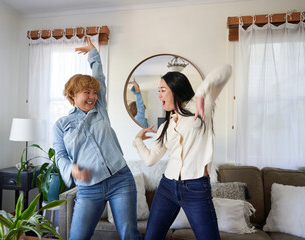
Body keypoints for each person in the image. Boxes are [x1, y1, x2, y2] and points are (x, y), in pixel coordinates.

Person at [53, 37, 142, 240]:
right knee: (77, 237)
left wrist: (94, 54)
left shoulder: (100, 109)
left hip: (121, 180)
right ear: (73, 94)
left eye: (94, 92)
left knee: (130, 234)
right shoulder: (61, 124)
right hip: (89, 187)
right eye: (87, 92)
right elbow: (60, 155)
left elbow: (99, 76)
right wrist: (71, 170)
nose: (92, 96)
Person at [133, 64, 232, 240]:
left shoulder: (201, 108)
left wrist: (201, 93)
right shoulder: (165, 126)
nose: (159, 95)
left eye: (163, 90)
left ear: (176, 88)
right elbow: (150, 159)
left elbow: (225, 69)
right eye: (158, 91)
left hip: (196, 188)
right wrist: (138, 141)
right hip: (167, 188)